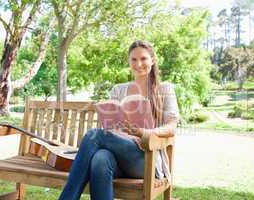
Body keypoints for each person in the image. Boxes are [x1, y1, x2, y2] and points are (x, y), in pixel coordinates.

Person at [58, 40, 179, 200]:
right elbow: (109, 127)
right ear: (129, 62)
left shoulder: (165, 89)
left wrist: (145, 132)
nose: (139, 64)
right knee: (100, 158)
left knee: (94, 135)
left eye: (143, 58)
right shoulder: (118, 90)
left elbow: (171, 127)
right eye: (134, 60)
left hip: (146, 159)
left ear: (152, 60)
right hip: (117, 155)